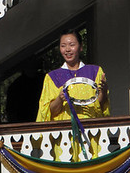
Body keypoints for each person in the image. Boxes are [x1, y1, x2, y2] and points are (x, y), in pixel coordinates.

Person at [37, 30, 109, 160]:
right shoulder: (52, 77)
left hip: (90, 133)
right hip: (64, 138)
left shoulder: (95, 71)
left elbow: (100, 105)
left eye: (72, 45)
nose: (67, 49)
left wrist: (103, 92)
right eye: (63, 46)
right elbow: (48, 111)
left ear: (80, 47)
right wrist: (60, 99)